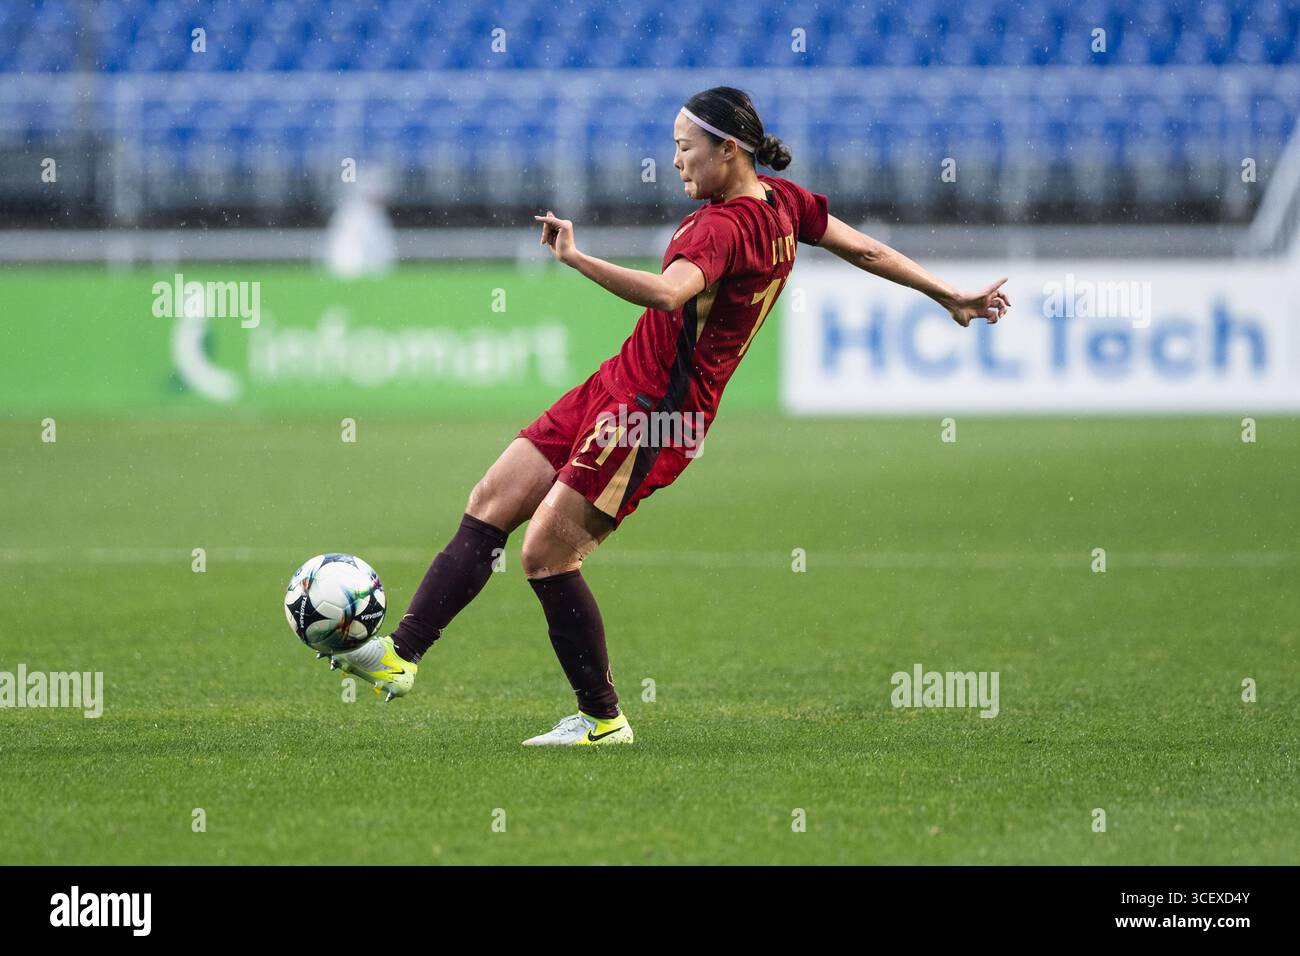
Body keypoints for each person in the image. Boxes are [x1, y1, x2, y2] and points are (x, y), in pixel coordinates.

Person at [327, 87, 1010, 746]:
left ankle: (602, 720)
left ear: (730, 149)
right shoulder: (783, 203)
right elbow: (863, 248)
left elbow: (664, 293)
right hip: (618, 384)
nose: (675, 160)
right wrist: (948, 294)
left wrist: (573, 256)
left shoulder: (722, 226)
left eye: (686, 148)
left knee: (544, 554)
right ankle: (400, 655)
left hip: (655, 415)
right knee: (492, 497)